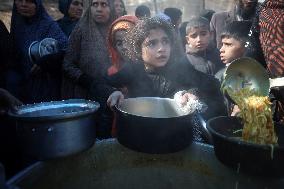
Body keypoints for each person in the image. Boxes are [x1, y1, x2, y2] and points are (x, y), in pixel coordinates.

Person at [106, 17, 227, 142]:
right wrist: (113, 92)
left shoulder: (180, 67)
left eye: (165, 41)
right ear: (138, 48)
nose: (161, 48)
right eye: (152, 43)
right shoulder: (133, 70)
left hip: (174, 139)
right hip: (140, 137)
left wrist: (191, 93)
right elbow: (100, 83)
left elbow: (209, 84)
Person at [62, 0, 116, 139]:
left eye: (104, 5)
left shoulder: (116, 31)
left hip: (111, 94)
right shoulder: (80, 30)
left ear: (111, 8)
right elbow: (67, 64)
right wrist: (87, 80)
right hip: (84, 94)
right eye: (95, 4)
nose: (99, 9)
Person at [9, 0, 68, 103]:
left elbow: (67, 50)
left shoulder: (48, 25)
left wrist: (48, 61)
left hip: (44, 88)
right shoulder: (17, 23)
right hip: (20, 88)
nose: (24, 4)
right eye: (19, 0)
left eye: (29, 1)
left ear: (37, 4)